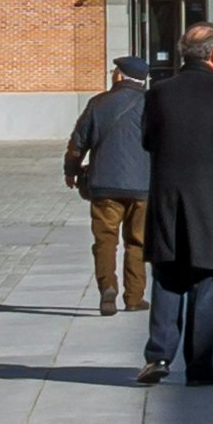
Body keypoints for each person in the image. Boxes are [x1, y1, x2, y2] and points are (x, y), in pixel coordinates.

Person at [138, 22, 213, 389]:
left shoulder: (159, 93)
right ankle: (200, 364)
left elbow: (148, 140)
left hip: (168, 199)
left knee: (167, 276)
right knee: (207, 281)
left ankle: (158, 356)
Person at [64, 52, 156, 336]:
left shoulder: (98, 103)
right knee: (137, 242)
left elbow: (78, 142)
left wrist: (71, 171)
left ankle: (108, 287)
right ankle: (134, 297)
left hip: (104, 185)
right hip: (143, 186)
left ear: (118, 75)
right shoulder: (153, 105)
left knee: (105, 240)